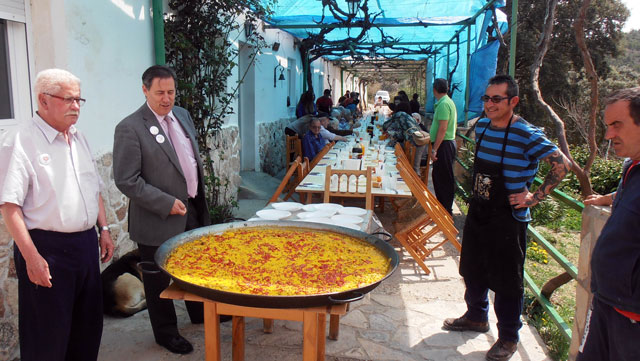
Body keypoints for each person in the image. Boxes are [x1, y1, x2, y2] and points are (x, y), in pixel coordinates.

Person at [443, 74, 571, 361]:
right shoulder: (484, 126)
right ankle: (476, 316)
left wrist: (534, 197)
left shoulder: (526, 133)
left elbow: (563, 165)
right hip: (479, 209)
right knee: (472, 268)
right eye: (486, 98)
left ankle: (509, 338)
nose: (489, 104)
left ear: (513, 101)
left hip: (507, 218)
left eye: (496, 99)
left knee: (506, 281)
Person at [0, 68, 114, 361]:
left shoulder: (79, 138)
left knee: (87, 331)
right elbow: (9, 206)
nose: (76, 106)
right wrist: (32, 257)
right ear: (44, 100)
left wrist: (104, 229)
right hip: (47, 251)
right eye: (68, 99)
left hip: (85, 247)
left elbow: (94, 189)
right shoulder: (21, 141)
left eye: (79, 99)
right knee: (47, 338)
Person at [112, 65, 214, 355]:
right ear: (145, 90)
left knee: (195, 268)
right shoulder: (130, 127)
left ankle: (198, 312)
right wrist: (166, 202)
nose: (166, 98)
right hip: (157, 217)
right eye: (160, 93)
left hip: (192, 207)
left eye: (171, 92)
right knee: (158, 279)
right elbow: (126, 180)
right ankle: (166, 333)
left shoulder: (182, 116)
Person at [577, 87, 640, 361]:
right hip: (605, 301)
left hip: (631, 319)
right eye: (607, 125)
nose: (608, 135)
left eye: (617, 125)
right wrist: (608, 197)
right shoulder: (631, 167)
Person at [430, 78, 458, 215]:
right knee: (439, 176)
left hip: (444, 145)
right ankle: (442, 206)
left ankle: (446, 209)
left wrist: (434, 149)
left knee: (444, 178)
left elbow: (443, 128)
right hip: (445, 144)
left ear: (434, 89)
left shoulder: (443, 104)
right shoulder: (446, 102)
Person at [382, 100, 426, 173]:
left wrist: (389, 132)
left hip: (412, 144)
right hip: (421, 144)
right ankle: (415, 176)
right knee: (415, 168)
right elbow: (403, 133)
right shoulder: (410, 117)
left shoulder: (399, 114)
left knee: (392, 148)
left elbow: (385, 126)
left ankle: (403, 172)